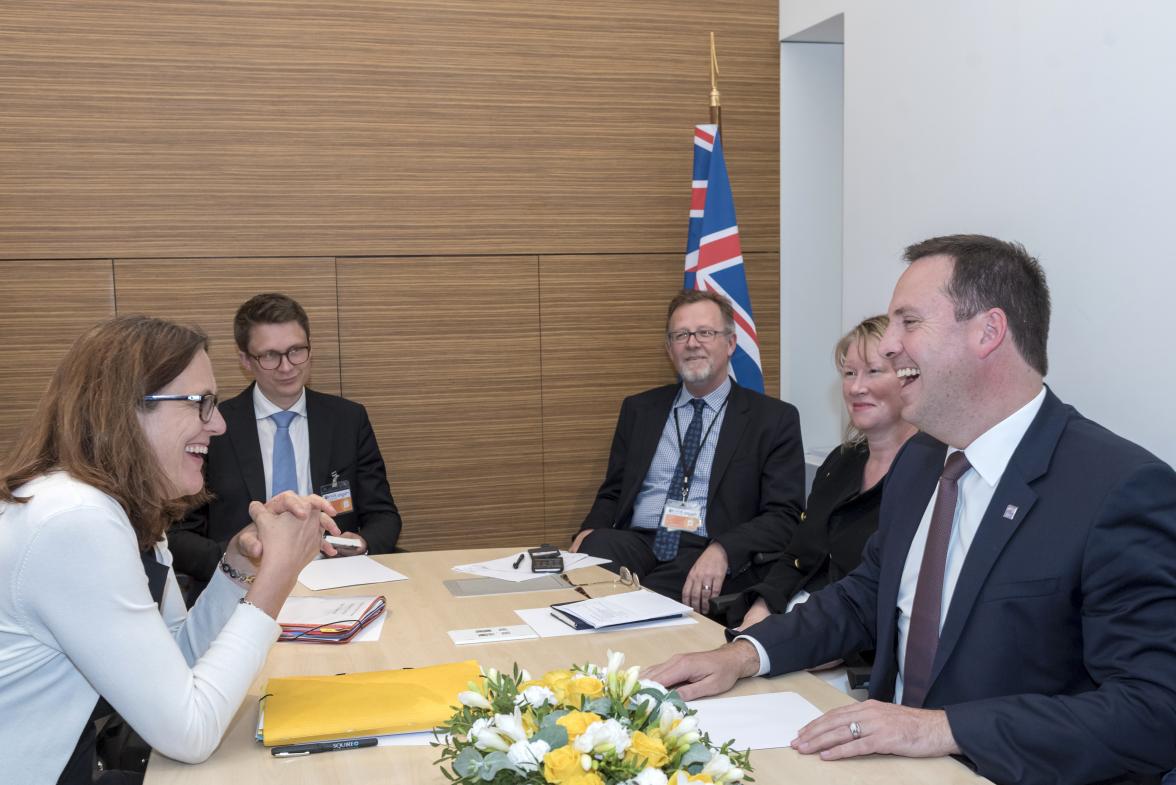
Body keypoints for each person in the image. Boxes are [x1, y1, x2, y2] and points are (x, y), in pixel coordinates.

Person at [644, 235, 1176, 785]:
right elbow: (863, 595)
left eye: (909, 323)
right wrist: (746, 654)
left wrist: (942, 729)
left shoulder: (1116, 488)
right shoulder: (923, 460)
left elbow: (1153, 711)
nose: (889, 345)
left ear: (988, 333)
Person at [0, 316, 342, 784]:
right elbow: (189, 734)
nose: (218, 423)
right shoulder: (74, 520)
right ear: (124, 409)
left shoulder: (124, 508)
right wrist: (276, 578)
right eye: (201, 403)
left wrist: (240, 566)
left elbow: (180, 663)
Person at [571, 288, 805, 614]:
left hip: (705, 545)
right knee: (593, 555)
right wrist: (587, 532)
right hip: (639, 539)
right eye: (681, 335)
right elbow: (612, 491)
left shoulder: (773, 419)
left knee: (635, 604)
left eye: (705, 333)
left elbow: (784, 516)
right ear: (669, 348)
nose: (692, 343)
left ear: (731, 343)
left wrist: (724, 550)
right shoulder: (640, 409)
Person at [169, 293, 402, 598]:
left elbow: (384, 516)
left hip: (334, 581)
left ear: (309, 349)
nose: (286, 366)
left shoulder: (347, 419)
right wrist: (241, 559)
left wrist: (362, 543)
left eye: (296, 351)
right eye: (269, 355)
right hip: (242, 588)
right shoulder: (213, 426)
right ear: (245, 361)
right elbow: (179, 535)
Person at [730, 315, 917, 631]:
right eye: (849, 373)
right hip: (792, 623)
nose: (856, 387)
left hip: (849, 646)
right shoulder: (840, 462)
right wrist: (760, 611)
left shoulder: (933, 474)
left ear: (909, 377)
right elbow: (795, 556)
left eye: (873, 371)